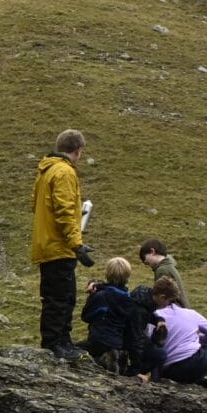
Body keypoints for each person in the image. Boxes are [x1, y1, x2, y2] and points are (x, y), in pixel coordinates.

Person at [31, 129, 94, 359]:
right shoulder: (64, 172)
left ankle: (62, 341)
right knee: (61, 298)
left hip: (48, 244)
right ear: (78, 150)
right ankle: (55, 344)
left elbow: (35, 205)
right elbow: (65, 211)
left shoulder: (46, 170)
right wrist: (77, 244)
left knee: (59, 297)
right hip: (59, 247)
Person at [82, 257, 150, 374]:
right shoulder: (128, 298)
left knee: (75, 352)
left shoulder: (101, 296)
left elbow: (86, 316)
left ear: (107, 273)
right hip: (117, 343)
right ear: (127, 276)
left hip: (98, 341)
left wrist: (92, 295)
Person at [135, 237, 190, 309]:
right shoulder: (168, 267)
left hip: (174, 310)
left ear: (152, 252)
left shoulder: (162, 270)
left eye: (144, 258)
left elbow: (162, 299)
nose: (145, 262)